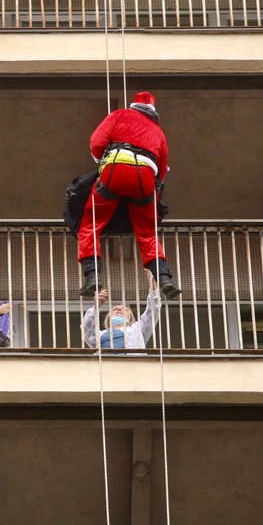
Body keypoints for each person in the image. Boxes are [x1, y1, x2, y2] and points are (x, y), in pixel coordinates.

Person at [78, 92, 180, 300]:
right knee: (147, 232)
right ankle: (164, 278)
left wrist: (99, 159)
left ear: (134, 105)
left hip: (116, 170)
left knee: (90, 223)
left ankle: (92, 275)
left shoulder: (119, 115)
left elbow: (97, 142)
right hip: (145, 179)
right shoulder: (158, 131)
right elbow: (162, 169)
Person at [81, 274, 162, 354]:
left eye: (125, 310)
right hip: (107, 362)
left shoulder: (137, 330)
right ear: (108, 319)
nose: (119, 309)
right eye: (115, 309)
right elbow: (86, 327)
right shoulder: (100, 334)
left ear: (130, 318)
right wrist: (96, 306)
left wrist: (153, 285)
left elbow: (153, 311)